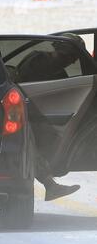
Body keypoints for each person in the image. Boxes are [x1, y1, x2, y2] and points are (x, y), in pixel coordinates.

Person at [16, 33, 86, 201]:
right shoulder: (37, 61)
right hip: (20, 115)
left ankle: (50, 178)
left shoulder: (57, 70)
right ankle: (50, 185)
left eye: (74, 58)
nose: (72, 61)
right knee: (28, 146)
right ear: (60, 51)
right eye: (70, 56)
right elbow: (24, 87)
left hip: (36, 115)